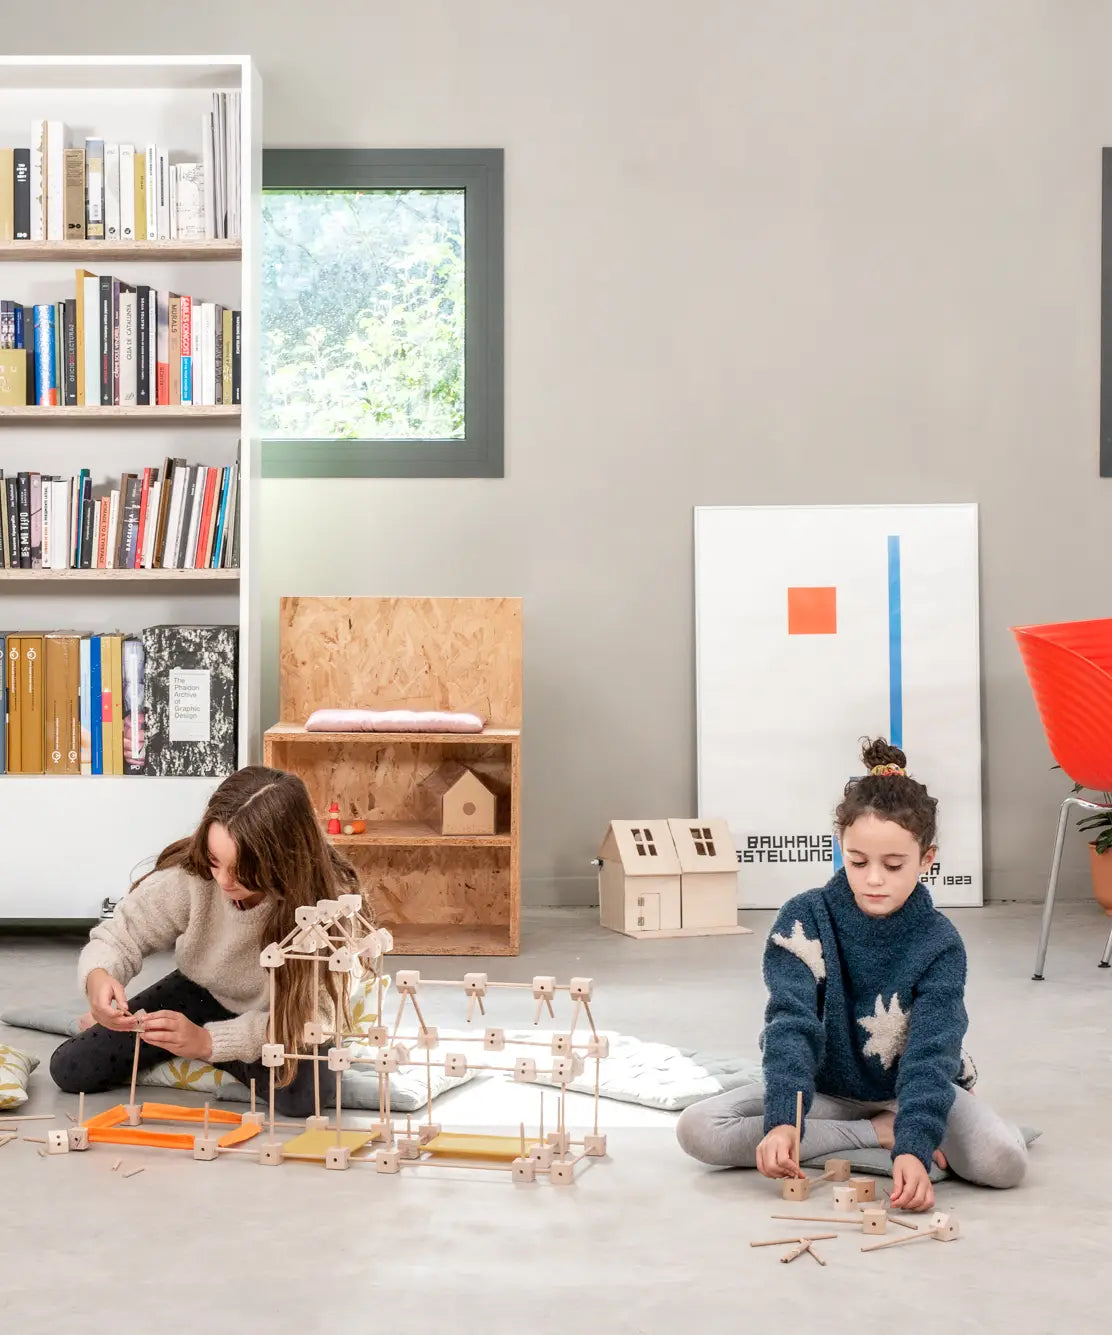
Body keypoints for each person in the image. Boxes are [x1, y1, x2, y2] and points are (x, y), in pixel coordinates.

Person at [676, 738, 1027, 1210]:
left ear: (927, 859)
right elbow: (791, 1021)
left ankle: (887, 1133)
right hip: (826, 1092)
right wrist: (785, 1119)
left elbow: (931, 1052)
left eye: (894, 864)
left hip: (909, 1093)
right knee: (699, 1129)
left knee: (1003, 1163)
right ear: (841, 848)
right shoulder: (805, 918)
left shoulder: (940, 942)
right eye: (857, 861)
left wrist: (915, 1145)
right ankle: (872, 1135)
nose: (873, 878)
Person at [50, 766, 365, 1118]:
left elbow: (316, 1016)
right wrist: (99, 975)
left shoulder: (331, 903)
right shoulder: (193, 874)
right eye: (216, 862)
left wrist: (207, 1043)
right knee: (71, 1068)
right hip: (201, 992)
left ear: (284, 859)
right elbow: (122, 932)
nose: (224, 881)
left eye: (243, 871)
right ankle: (205, 1048)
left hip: (280, 1015)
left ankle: (202, 1048)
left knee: (306, 1096)